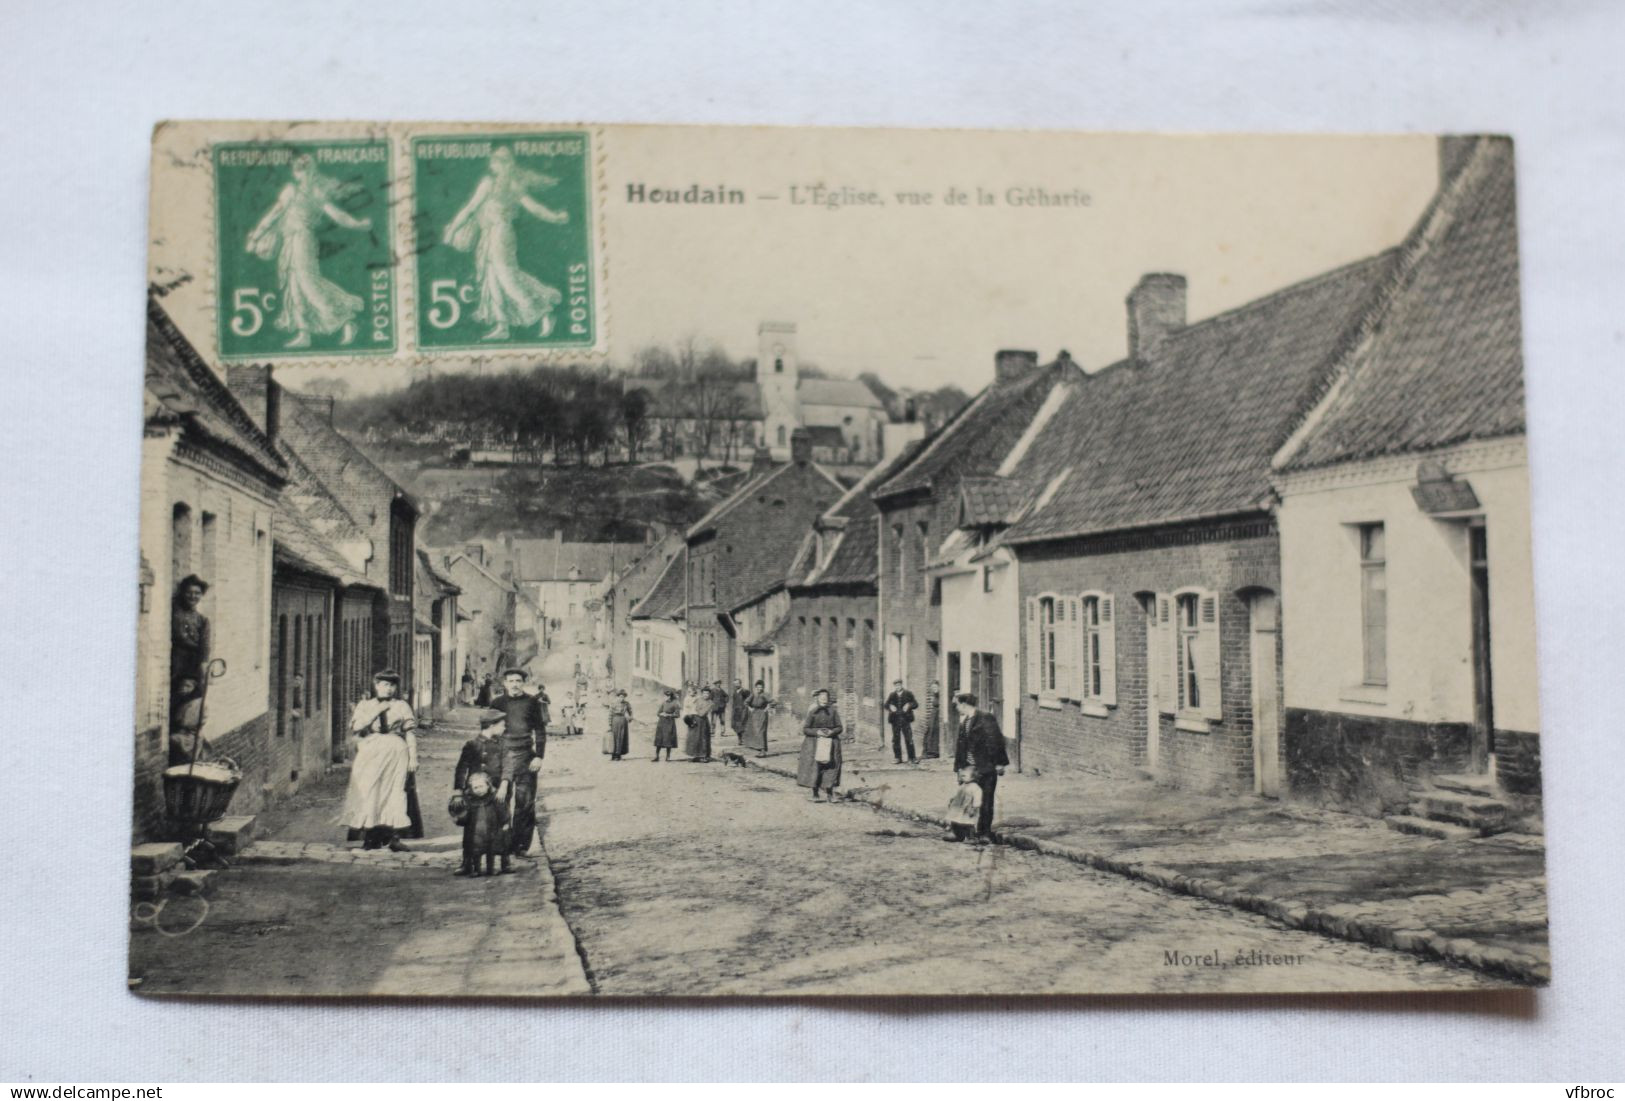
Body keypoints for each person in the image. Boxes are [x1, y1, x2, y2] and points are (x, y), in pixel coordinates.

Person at [441, 145, 569, 342]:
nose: (500, 165)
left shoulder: (505, 185)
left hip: (500, 235)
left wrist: (555, 218)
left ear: (506, 165)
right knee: (492, 279)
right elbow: (471, 209)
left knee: (507, 277)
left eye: (504, 161)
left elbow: (533, 208)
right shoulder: (496, 183)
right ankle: (502, 326)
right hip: (489, 234)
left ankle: (544, 311)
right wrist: (555, 217)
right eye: (498, 161)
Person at [245, 153, 372, 348]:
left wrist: (357, 225)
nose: (303, 174)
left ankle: (346, 321)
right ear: (298, 172)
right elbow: (276, 213)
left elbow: (336, 215)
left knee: (308, 283)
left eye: (305, 170)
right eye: (302, 170)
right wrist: (357, 224)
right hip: (290, 240)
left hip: (302, 240)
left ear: (307, 171)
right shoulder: (299, 191)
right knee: (293, 285)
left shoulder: (311, 192)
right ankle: (304, 334)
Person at [341, 670, 417, 851]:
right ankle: (370, 837)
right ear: (376, 686)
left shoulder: (402, 705)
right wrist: (376, 711)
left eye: (392, 685)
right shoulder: (365, 705)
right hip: (371, 751)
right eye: (384, 685)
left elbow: (410, 733)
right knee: (370, 790)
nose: (388, 689)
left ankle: (394, 837)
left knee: (394, 792)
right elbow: (357, 727)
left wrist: (413, 757)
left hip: (396, 751)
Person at [487, 668, 547, 859]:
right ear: (505, 683)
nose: (514, 684)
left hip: (525, 757)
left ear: (523, 683)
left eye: (518, 681)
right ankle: (502, 843)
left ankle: (520, 845)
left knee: (525, 803)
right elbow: (488, 731)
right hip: (502, 757)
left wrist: (539, 756)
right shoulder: (497, 703)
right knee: (500, 800)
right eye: (511, 681)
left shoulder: (532, 702)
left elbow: (540, 731)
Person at [452, 709, 512, 877]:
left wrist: (504, 785)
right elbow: (461, 768)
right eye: (501, 725)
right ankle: (467, 862)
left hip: (498, 793)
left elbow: (508, 765)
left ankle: (505, 861)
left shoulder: (503, 745)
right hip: (475, 794)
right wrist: (458, 791)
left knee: (502, 825)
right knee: (471, 828)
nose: (504, 728)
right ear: (491, 726)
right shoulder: (472, 745)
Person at [948, 691, 1009, 844]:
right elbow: (960, 748)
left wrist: (999, 763)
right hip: (969, 770)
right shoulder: (964, 722)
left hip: (985, 767)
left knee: (986, 800)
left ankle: (984, 833)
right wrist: (959, 769)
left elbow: (996, 741)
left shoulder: (985, 718)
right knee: (963, 800)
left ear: (964, 704)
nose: (955, 708)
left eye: (956, 705)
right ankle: (960, 833)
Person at [169, 575, 211, 710]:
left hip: (192, 665)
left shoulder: (202, 620)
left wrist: (203, 670)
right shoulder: (172, 612)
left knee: (190, 702)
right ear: (183, 593)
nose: (193, 596)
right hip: (175, 662)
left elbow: (205, 646)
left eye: (197, 593)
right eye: (189, 592)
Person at [797, 688, 844, 802]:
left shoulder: (833, 712)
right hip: (815, 744)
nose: (824, 699)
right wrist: (816, 732)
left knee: (831, 768)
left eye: (826, 697)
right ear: (817, 699)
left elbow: (839, 727)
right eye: (822, 697)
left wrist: (831, 732)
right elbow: (806, 729)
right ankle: (815, 793)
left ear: (828, 699)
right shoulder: (812, 712)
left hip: (831, 743)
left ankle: (830, 794)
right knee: (816, 768)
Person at [167, 674, 209, 767]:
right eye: (182, 686)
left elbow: (186, 722)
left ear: (194, 688)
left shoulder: (197, 702)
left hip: (190, 735)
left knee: (172, 740)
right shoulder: (181, 700)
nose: (183, 688)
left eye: (187, 686)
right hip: (183, 731)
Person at [885, 678, 920, 764]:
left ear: (901, 685)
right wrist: (890, 707)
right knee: (896, 739)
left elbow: (916, 704)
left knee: (909, 738)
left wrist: (909, 705)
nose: (897, 687)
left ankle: (912, 758)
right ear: (894, 686)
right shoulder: (892, 695)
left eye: (899, 685)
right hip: (895, 720)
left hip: (905, 719)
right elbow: (886, 705)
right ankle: (897, 758)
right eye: (896, 685)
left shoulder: (908, 694)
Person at [682, 683, 712, 761]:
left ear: (709, 694)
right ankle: (696, 755)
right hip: (695, 719)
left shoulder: (710, 703)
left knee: (703, 737)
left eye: (707, 693)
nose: (706, 695)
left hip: (703, 721)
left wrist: (696, 710)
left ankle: (704, 755)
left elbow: (702, 713)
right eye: (704, 693)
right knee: (694, 737)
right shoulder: (698, 699)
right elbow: (690, 707)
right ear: (702, 694)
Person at [742, 680, 772, 757]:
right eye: (758, 687)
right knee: (755, 732)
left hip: (762, 714)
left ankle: (762, 750)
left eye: (761, 687)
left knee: (760, 731)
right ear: (755, 687)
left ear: (763, 688)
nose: (759, 689)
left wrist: (767, 708)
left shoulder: (765, 695)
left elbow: (773, 702)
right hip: (754, 714)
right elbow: (746, 702)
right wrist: (750, 708)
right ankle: (760, 750)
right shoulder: (753, 695)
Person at [653, 688, 680, 761]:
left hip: (669, 723)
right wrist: (661, 714)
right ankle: (657, 756)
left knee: (668, 740)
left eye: (668, 696)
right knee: (659, 739)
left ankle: (668, 757)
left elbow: (677, 715)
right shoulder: (663, 703)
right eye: (665, 696)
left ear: (671, 696)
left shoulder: (675, 704)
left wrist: (669, 715)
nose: (667, 697)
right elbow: (658, 713)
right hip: (661, 723)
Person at [604, 690, 632, 761]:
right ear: (618, 696)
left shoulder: (627, 704)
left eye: (623, 697)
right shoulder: (613, 703)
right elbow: (610, 714)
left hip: (623, 721)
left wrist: (629, 718)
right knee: (614, 738)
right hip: (615, 721)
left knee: (622, 737)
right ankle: (613, 755)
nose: (622, 698)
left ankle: (618, 754)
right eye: (620, 696)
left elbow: (630, 712)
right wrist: (610, 724)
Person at [920, 678, 943, 759]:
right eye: (933, 688)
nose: (934, 689)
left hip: (937, 716)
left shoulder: (942, 695)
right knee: (929, 731)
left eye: (936, 687)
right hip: (933, 715)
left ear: (939, 687)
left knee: (935, 732)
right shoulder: (935, 695)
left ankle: (934, 751)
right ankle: (929, 751)